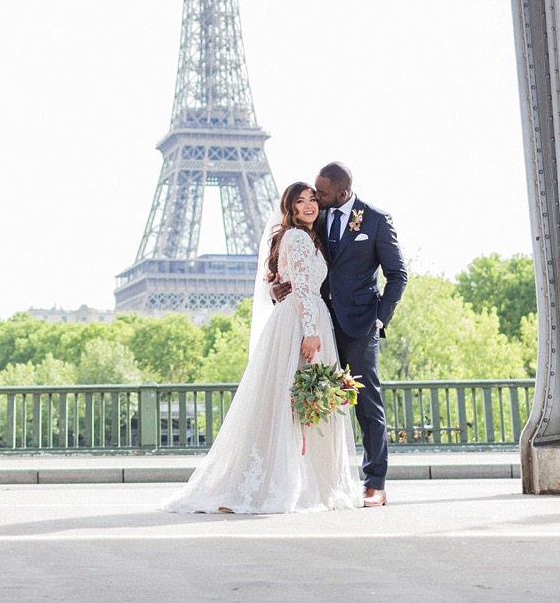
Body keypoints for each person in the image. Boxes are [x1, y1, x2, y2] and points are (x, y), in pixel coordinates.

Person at [162, 182, 362, 514]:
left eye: (313, 199)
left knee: (292, 402)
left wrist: (282, 294)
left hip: (301, 317)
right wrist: (311, 332)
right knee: (299, 403)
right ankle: (293, 482)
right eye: (301, 201)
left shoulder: (305, 238)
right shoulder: (297, 238)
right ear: (291, 208)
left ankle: (282, 477)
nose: (309, 205)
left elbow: (283, 281)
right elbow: (298, 287)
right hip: (302, 321)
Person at [273, 162, 407, 507]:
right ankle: (306, 480)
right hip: (315, 323)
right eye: (311, 193)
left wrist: (379, 319)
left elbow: (397, 274)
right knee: (306, 402)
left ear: (343, 193)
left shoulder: (375, 220)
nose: (314, 198)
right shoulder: (313, 217)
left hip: (360, 326)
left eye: (321, 192)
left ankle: (374, 482)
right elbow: (294, 257)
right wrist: (279, 286)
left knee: (367, 403)